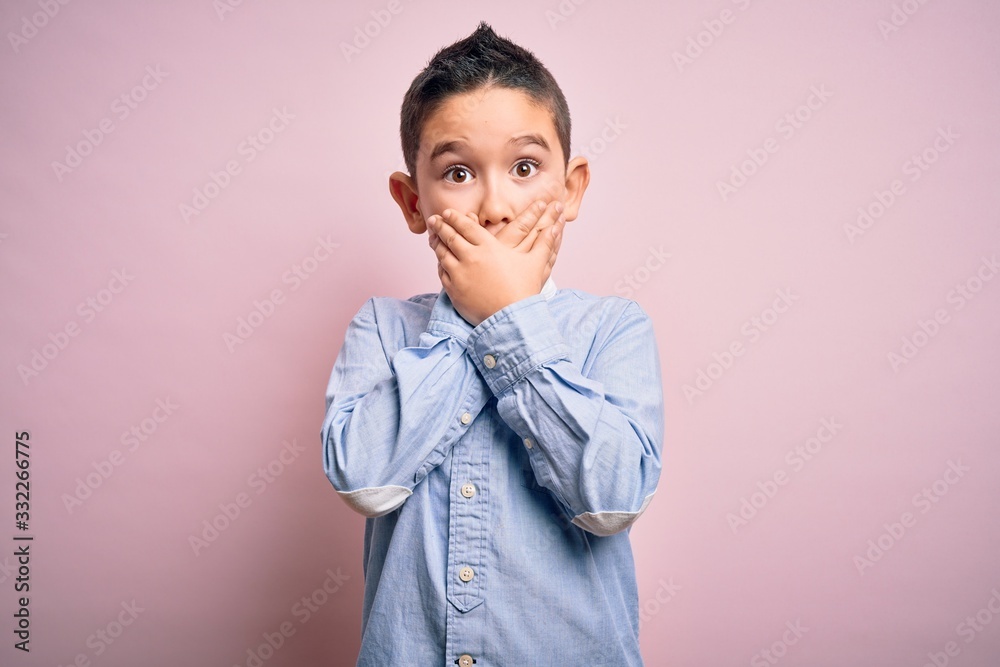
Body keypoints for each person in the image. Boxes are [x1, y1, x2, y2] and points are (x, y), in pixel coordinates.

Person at [321, 21, 665, 666]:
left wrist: (511, 316)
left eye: (526, 167)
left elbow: (613, 501)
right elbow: (365, 483)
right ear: (411, 201)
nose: (495, 205)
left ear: (571, 189)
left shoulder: (616, 328)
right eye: (457, 172)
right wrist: (478, 315)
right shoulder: (381, 326)